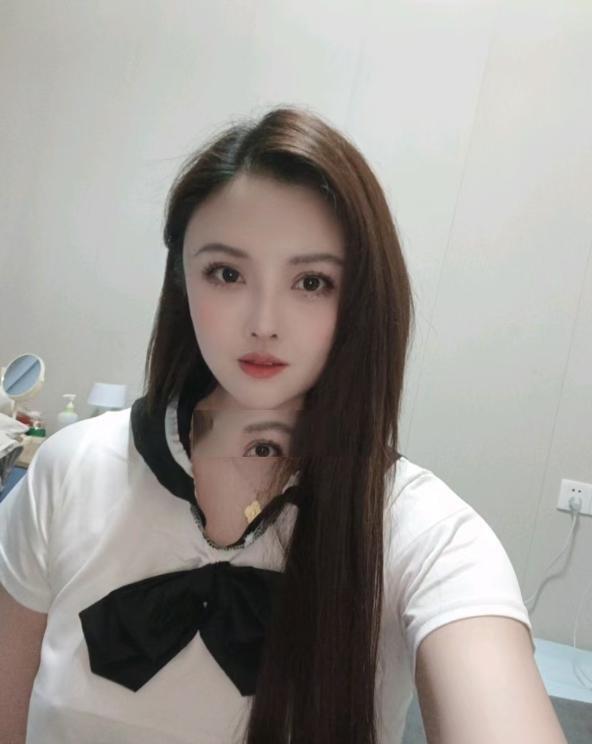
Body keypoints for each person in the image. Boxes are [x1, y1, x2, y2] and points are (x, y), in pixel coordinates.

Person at [0, 106, 567, 744]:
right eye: (227, 273)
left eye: (311, 281)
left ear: (360, 297)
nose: (264, 322)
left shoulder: (423, 533)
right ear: (181, 278)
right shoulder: (69, 472)